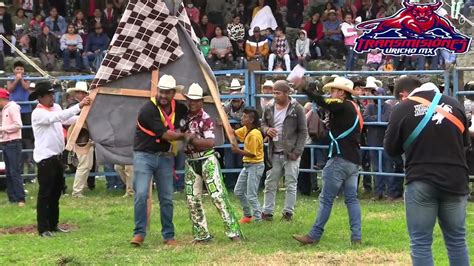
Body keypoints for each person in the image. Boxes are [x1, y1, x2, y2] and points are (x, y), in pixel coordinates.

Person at [384, 77, 470, 265]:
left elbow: (390, 149)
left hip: (421, 178)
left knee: (421, 242)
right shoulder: (455, 105)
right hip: (455, 179)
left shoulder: (402, 108)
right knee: (457, 241)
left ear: (403, 94)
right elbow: (465, 144)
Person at [293, 77, 363, 245]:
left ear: (341, 92)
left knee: (326, 199)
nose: (331, 93)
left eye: (333, 90)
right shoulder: (354, 107)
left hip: (339, 160)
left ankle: (314, 235)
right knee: (351, 199)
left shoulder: (341, 105)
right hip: (353, 160)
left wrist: (304, 88)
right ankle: (356, 237)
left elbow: (323, 102)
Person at [130, 75, 189, 247]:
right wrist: (185, 136)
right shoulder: (148, 109)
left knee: (167, 198)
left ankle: (168, 235)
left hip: (165, 156)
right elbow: (166, 134)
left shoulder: (179, 108)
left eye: (167, 93)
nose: (163, 95)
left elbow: (191, 115)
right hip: (144, 155)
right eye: (161, 92)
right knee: (141, 194)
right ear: (158, 91)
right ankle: (139, 233)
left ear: (173, 93)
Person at [30, 81, 91, 237]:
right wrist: (79, 106)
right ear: (41, 97)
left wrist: (83, 116)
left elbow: (65, 119)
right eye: (49, 94)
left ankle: (53, 224)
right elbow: (57, 117)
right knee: (45, 194)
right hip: (46, 159)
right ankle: (43, 228)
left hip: (57, 157)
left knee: (56, 193)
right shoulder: (38, 113)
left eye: (52, 94)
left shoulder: (55, 108)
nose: (52, 97)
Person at [182, 83, 241, 242]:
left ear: (201, 101)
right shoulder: (184, 117)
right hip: (191, 160)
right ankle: (201, 234)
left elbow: (210, 143)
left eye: (196, 100)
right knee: (192, 198)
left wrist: (191, 139)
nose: (192, 103)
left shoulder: (206, 118)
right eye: (190, 100)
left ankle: (233, 231)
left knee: (218, 195)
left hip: (206, 158)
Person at [261, 80, 308, 221]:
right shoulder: (269, 107)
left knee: (291, 183)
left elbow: (303, 131)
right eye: (274, 93)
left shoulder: (297, 108)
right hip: (274, 150)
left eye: (278, 93)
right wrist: (267, 130)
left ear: (286, 93)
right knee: (270, 182)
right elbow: (262, 123)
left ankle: (288, 212)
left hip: (291, 151)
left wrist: (297, 151)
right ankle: (267, 211)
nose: (275, 96)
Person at [232, 107, 265, 223]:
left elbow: (252, 153)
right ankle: (247, 215)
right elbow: (233, 133)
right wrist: (223, 124)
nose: (242, 118)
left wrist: (237, 150)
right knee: (238, 191)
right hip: (247, 166)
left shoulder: (254, 134)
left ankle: (258, 218)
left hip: (255, 165)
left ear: (251, 120)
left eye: (244, 117)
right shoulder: (246, 129)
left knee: (251, 195)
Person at [7, 61, 34, 181]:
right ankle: (20, 171)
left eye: (21, 69)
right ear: (14, 70)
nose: (19, 71)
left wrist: (21, 79)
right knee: (17, 139)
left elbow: (26, 87)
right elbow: (10, 89)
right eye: (17, 69)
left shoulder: (26, 78)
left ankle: (31, 171)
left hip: (25, 110)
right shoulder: (10, 78)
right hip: (14, 111)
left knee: (28, 139)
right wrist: (16, 80)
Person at [67, 82, 94, 198]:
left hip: (84, 137)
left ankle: (80, 188)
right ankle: (77, 191)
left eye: (82, 92)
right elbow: (67, 119)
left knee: (86, 164)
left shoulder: (84, 106)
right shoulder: (73, 106)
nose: (81, 95)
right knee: (84, 164)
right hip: (80, 138)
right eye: (78, 92)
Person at [0, 88, 24, 206]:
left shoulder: (12, 108)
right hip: (7, 142)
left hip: (13, 142)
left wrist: (2, 129)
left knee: (14, 171)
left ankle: (20, 198)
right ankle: (13, 197)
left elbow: (18, 124)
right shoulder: (5, 109)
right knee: (10, 171)